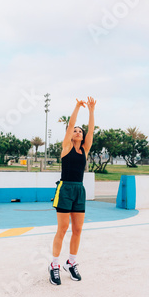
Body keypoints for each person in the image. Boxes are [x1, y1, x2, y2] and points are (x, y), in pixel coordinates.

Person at [49, 96, 96, 286]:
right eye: (75, 131)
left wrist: (92, 111)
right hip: (65, 188)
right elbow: (69, 126)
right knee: (63, 228)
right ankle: (54, 266)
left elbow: (91, 130)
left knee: (78, 229)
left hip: (79, 190)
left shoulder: (84, 151)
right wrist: (77, 107)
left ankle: (71, 262)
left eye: (79, 131)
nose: (77, 132)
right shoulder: (66, 147)